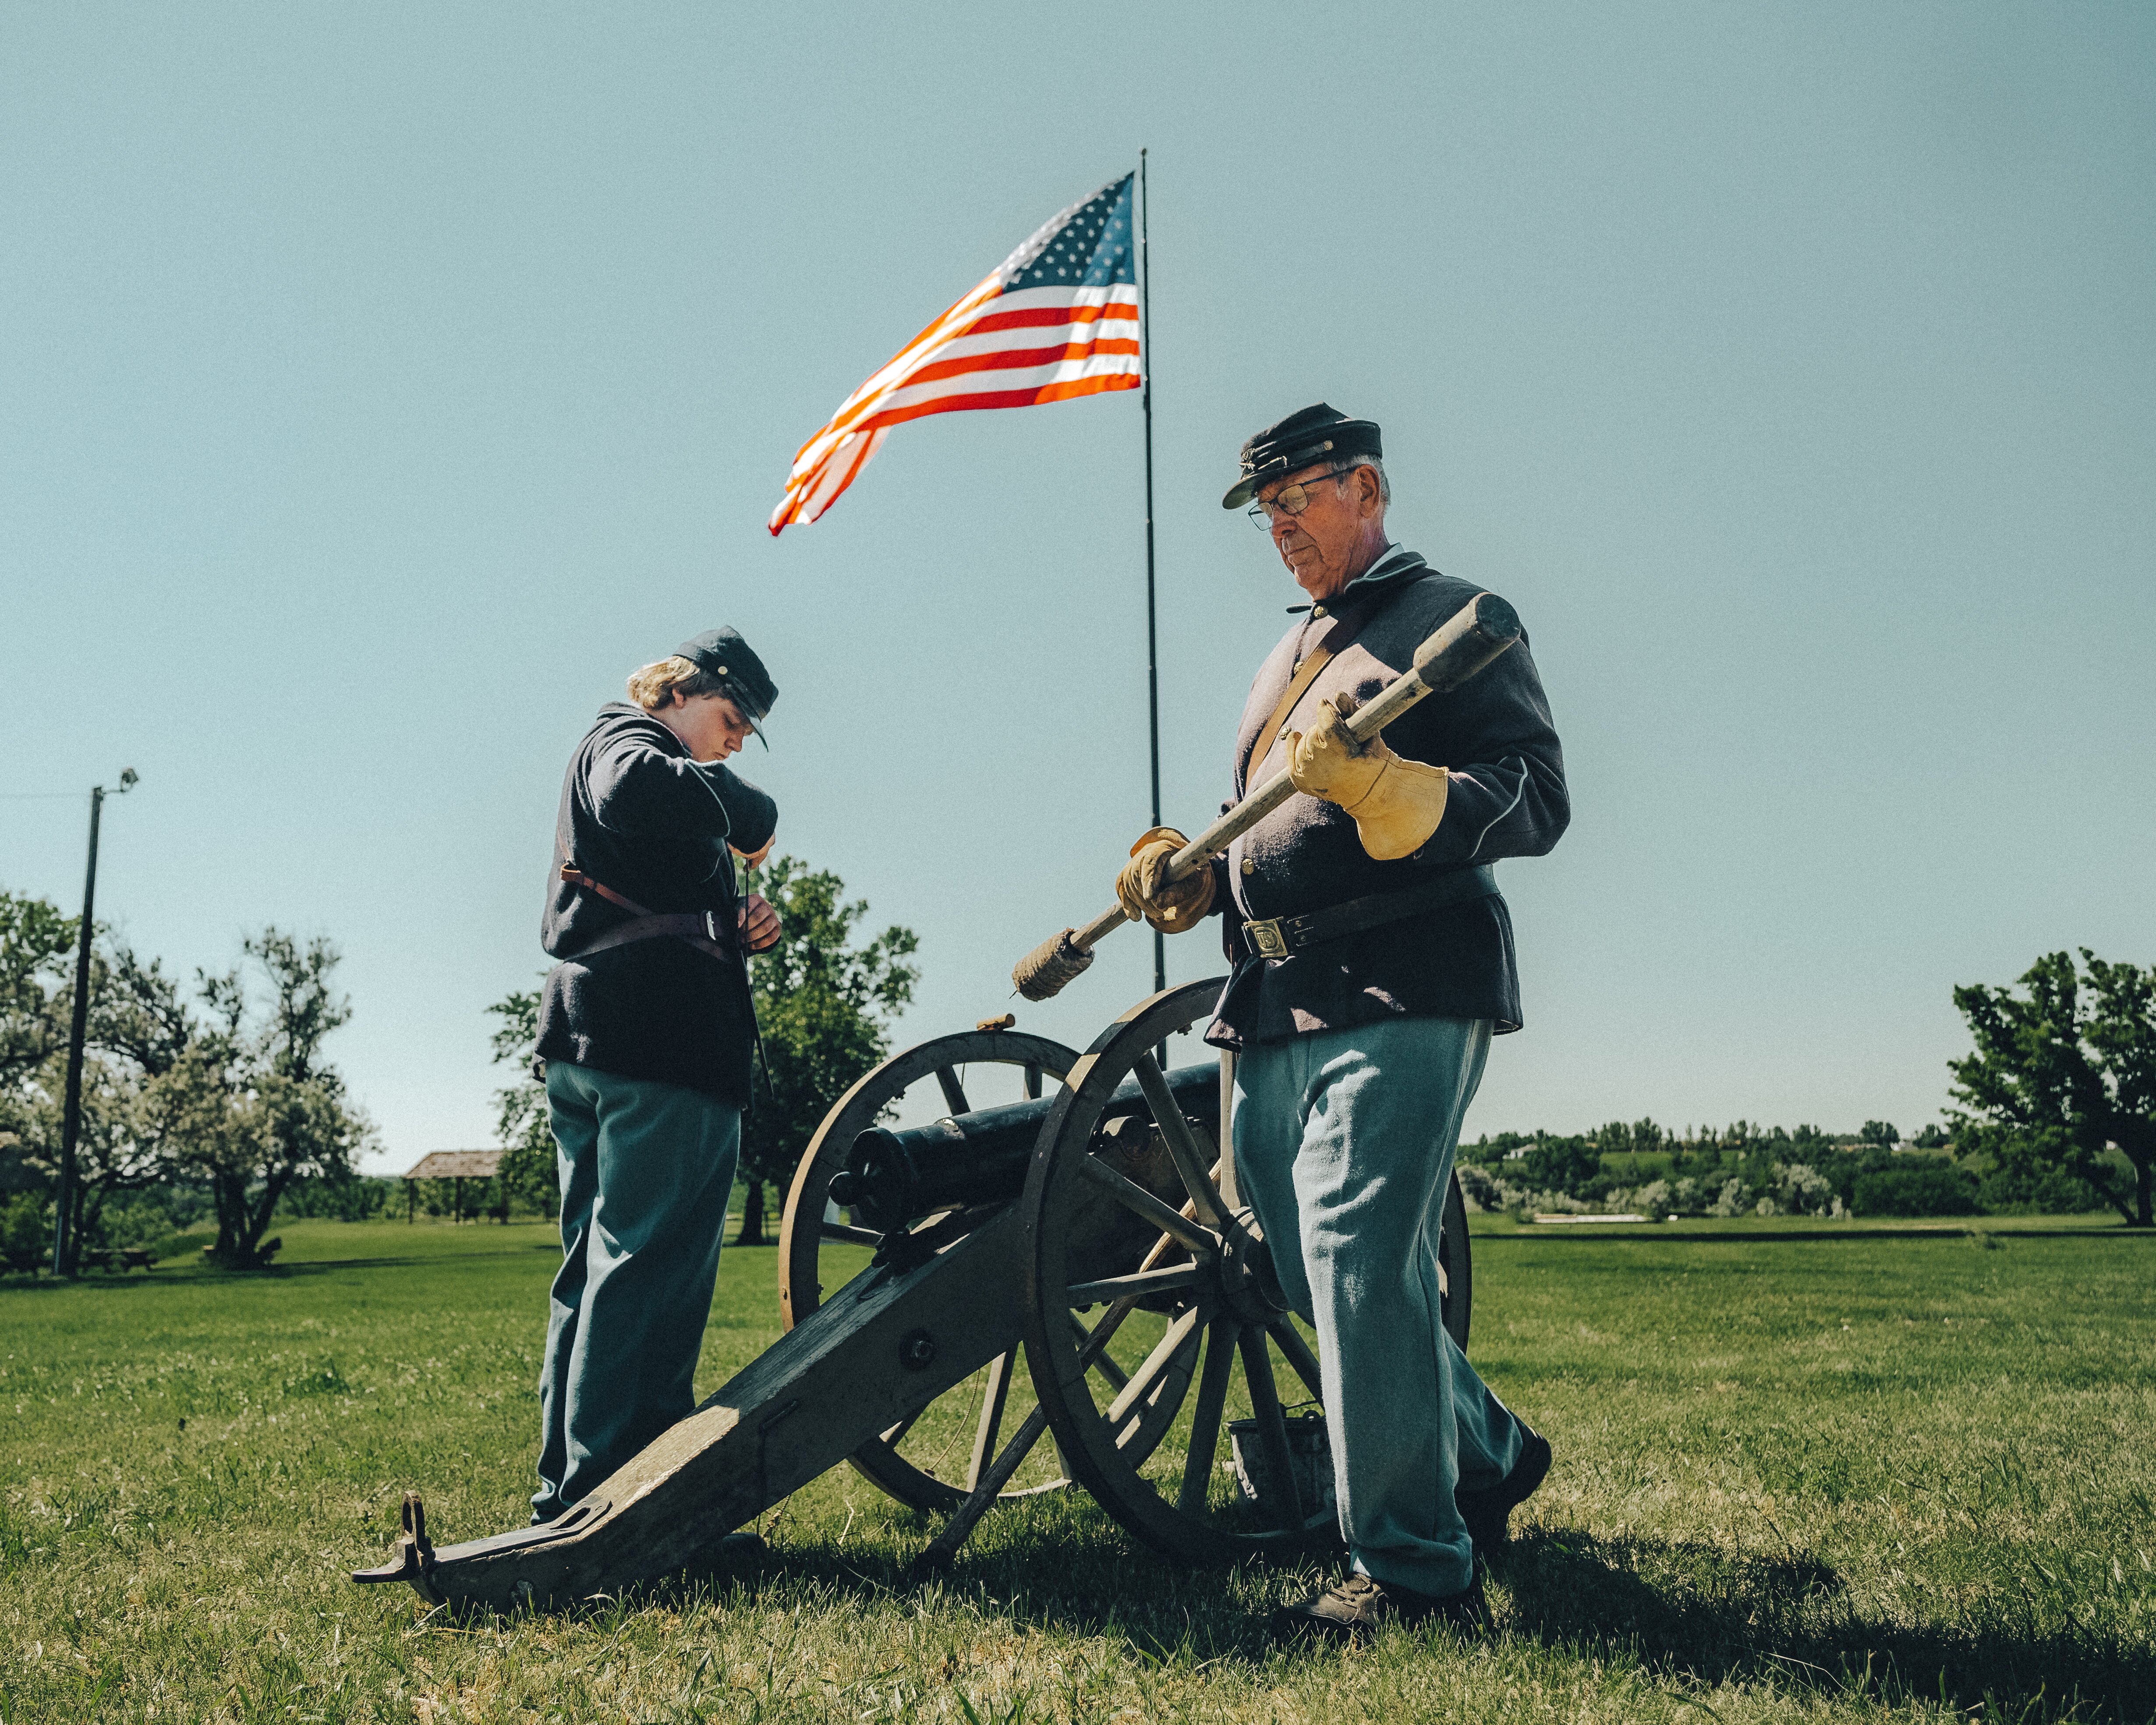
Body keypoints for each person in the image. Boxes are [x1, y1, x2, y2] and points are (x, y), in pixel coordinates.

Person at [1115, 404, 1570, 1640]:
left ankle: (1416, 1575)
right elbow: (1261, 818)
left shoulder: (1454, 623)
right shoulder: (1297, 653)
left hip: (1403, 974)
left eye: (1295, 502)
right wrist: (1201, 874)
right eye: (1264, 514)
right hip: (1269, 994)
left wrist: (1400, 787)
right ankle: (1490, 1452)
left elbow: (1535, 795)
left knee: (1362, 1258)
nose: (1278, 530)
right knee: (1293, 1265)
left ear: (1364, 485)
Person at [529, 627, 784, 1525]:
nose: (735, 739)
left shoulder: (640, 752)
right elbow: (635, 789)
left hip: (604, 1031)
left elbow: (652, 867)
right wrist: (748, 810)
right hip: (657, 1042)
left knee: (596, 1272)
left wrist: (736, 920)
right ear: (680, 689)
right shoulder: (628, 739)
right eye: (731, 718)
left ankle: (568, 1491)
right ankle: (624, 1503)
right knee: (650, 1269)